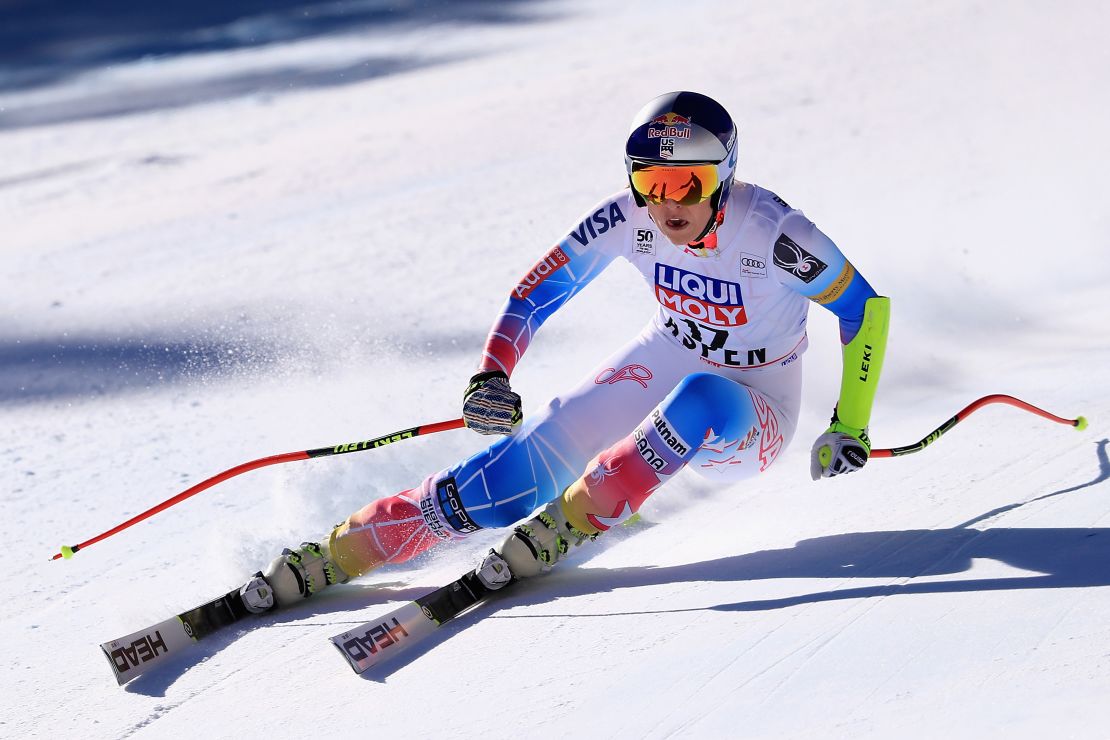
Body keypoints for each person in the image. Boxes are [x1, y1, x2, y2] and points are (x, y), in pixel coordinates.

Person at [238, 91, 890, 612]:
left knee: (703, 398)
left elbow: (866, 308)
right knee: (527, 462)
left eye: (687, 184)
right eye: (651, 183)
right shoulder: (626, 217)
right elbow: (536, 291)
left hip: (757, 398)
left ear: (724, 177)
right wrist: (492, 373)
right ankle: (345, 550)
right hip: (670, 348)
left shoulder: (776, 234)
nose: (667, 205)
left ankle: (574, 520)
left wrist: (849, 422)